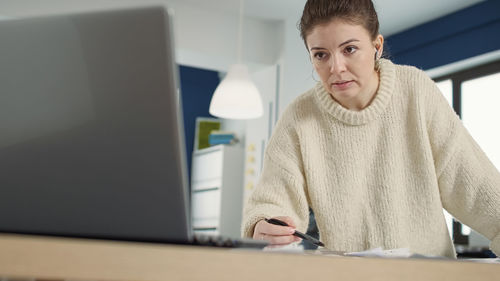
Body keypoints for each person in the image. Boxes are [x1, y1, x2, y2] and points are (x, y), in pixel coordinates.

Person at [241, 0, 500, 258]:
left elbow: (475, 187)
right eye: (321, 55)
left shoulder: (415, 91)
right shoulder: (298, 118)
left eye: (350, 49)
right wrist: (263, 226)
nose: (336, 68)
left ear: (377, 46)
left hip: (427, 274)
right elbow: (271, 203)